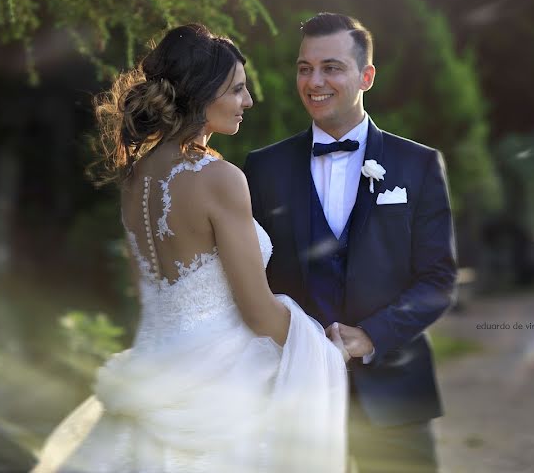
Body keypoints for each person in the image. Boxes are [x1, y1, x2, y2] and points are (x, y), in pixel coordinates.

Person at [32, 23, 348, 472]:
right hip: (220, 385)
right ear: (201, 94)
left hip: (154, 366)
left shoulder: (136, 177)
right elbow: (257, 313)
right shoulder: (220, 179)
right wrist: (318, 345)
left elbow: (150, 292)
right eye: (237, 89)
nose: (249, 101)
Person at [244, 13, 457, 473]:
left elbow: (438, 278)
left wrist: (372, 336)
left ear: (366, 75)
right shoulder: (263, 169)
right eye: (305, 68)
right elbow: (250, 277)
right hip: (295, 391)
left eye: (331, 67)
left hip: (395, 391)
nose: (314, 81)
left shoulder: (417, 165)